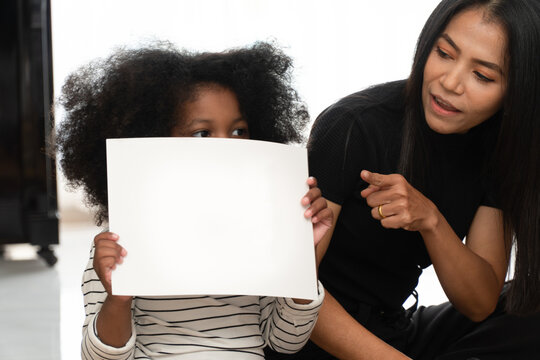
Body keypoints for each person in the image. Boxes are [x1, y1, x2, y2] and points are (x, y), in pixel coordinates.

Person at [265, 0, 540, 359]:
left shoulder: (499, 149)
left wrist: (432, 221)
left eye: (483, 76)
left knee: (530, 311)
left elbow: (479, 303)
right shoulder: (353, 125)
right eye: (444, 53)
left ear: (517, 90)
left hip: (394, 327)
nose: (450, 82)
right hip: (313, 334)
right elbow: (293, 293)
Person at [54, 42, 333, 359]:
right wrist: (117, 299)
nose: (227, 146)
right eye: (203, 133)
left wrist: (301, 258)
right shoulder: (119, 243)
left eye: (239, 131)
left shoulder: (261, 229)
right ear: (154, 138)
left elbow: (285, 341)